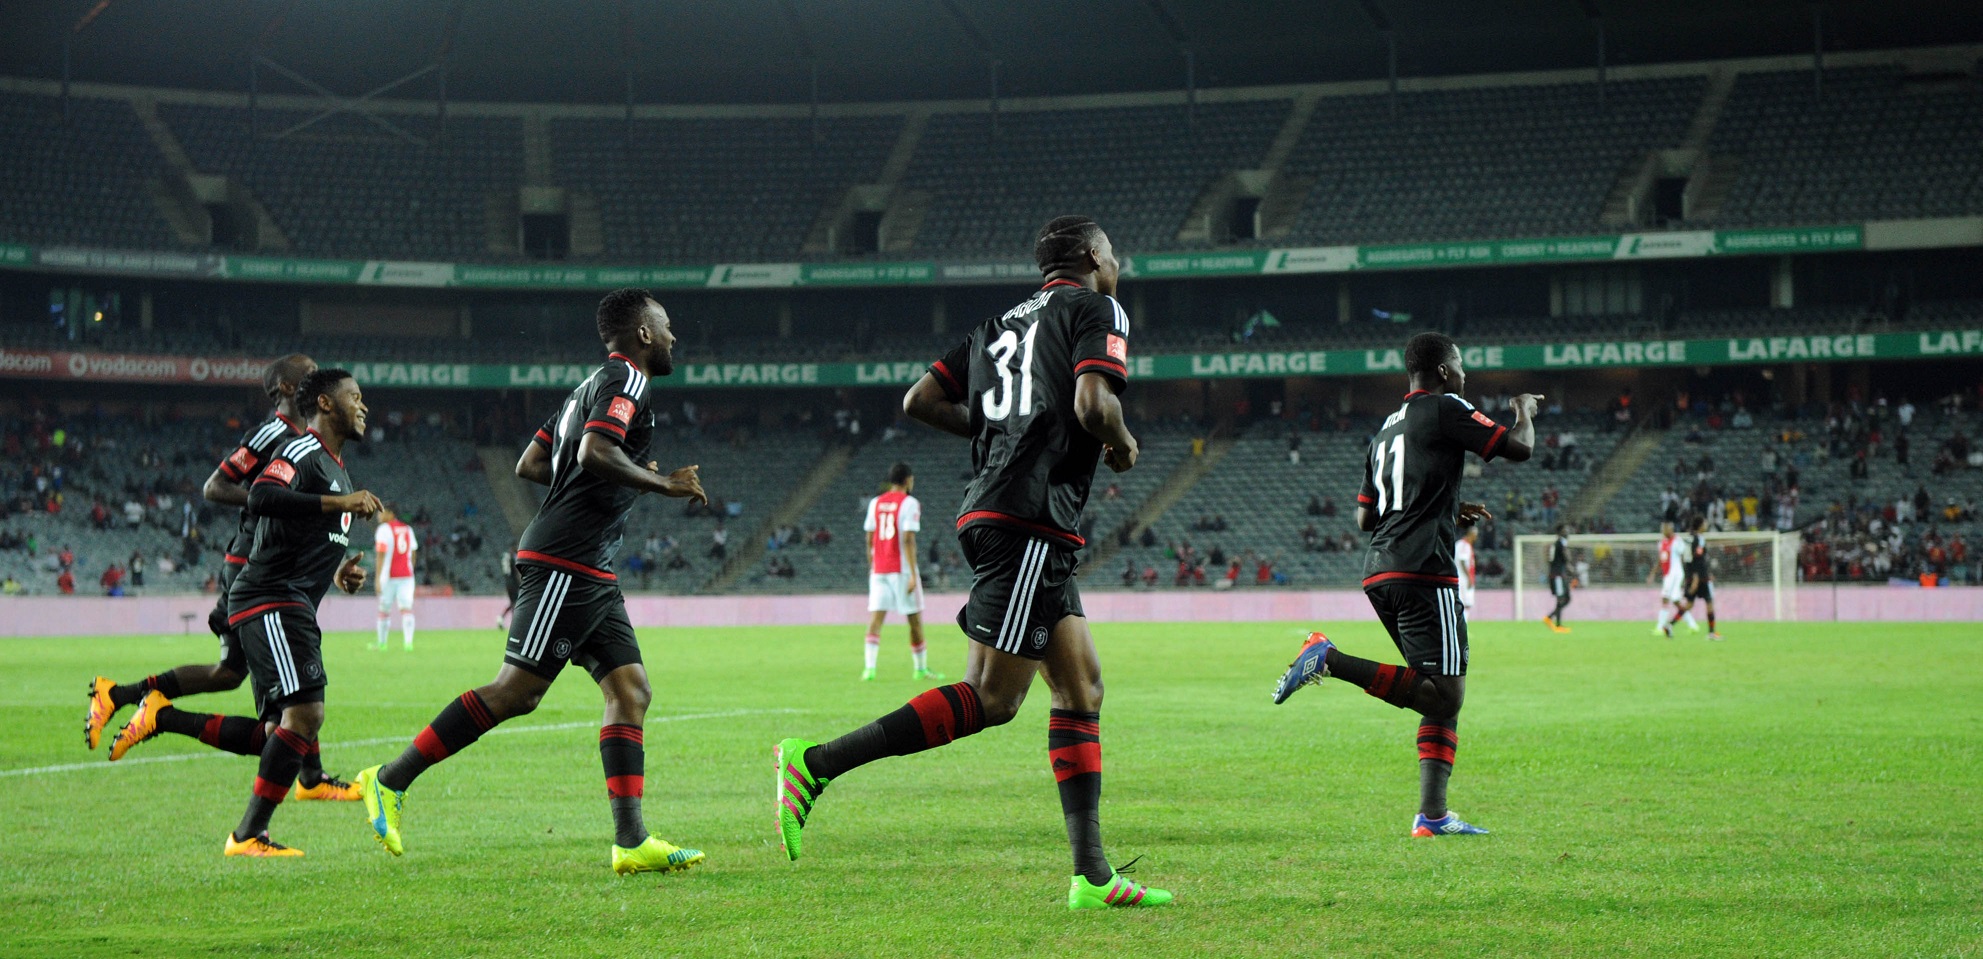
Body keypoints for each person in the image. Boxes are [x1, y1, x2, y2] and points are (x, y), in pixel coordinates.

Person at [772, 216, 1171, 910]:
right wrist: (1124, 440)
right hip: (1030, 515)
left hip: (1005, 511)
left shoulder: (994, 327)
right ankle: (815, 763)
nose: (1118, 264)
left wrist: (1000, 430)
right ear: (1091, 256)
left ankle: (1091, 877)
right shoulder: (1096, 308)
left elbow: (919, 400)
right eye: (1113, 252)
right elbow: (1092, 403)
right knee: (992, 697)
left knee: (1081, 689)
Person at [355, 288, 709, 877]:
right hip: (566, 560)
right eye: (666, 325)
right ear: (644, 333)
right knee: (517, 691)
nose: (674, 336)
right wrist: (662, 483)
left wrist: (620, 476)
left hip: (589, 566)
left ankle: (631, 840)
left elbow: (533, 464)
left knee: (631, 692)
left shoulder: (586, 387)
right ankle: (389, 780)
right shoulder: (628, 380)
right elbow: (594, 452)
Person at [1274, 331, 1538, 840]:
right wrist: (1523, 409)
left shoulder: (1385, 429)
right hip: (1423, 570)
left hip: (1381, 571)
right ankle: (1327, 658)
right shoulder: (1445, 407)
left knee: (1436, 686)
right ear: (1441, 371)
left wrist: (1445, 507)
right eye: (1459, 364)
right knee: (1445, 694)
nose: (1463, 373)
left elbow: (1364, 517)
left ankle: (1432, 816)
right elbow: (1520, 448)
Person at [85, 356, 329, 781]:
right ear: (289, 388)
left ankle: (121, 696)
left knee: (230, 673)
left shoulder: (302, 440)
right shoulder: (273, 434)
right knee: (285, 702)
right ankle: (307, 781)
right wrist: (271, 501)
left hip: (267, 566)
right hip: (253, 570)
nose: (318, 377)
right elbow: (215, 486)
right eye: (309, 373)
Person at [861, 462, 938, 681]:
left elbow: (869, 538)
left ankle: (869, 669)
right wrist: (913, 573)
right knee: (914, 620)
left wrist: (872, 566)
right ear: (907, 480)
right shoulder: (910, 503)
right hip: (901, 569)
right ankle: (920, 669)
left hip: (879, 570)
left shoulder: (875, 503)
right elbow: (908, 539)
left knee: (876, 619)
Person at [372, 505, 419, 651]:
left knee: (384, 609)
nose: (378, 516)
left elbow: (381, 554)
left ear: (391, 513)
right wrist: (410, 567)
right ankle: (408, 644)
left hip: (389, 576)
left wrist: (377, 578)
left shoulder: (383, 530)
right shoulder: (408, 529)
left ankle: (382, 644)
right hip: (407, 576)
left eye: (381, 512)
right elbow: (413, 552)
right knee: (406, 609)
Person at [1672, 515, 1723, 641]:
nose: (1706, 525)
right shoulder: (1698, 540)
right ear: (1700, 526)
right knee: (1709, 602)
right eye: (1704, 523)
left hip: (1694, 576)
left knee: (1689, 605)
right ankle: (1711, 633)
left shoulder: (1690, 539)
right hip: (1699, 578)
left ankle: (1669, 625)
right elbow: (1697, 560)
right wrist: (1696, 578)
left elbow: (1688, 560)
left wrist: (1693, 576)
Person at [1653, 521, 1699, 636]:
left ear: (1671, 529)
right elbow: (1661, 559)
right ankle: (1693, 625)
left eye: (1665, 528)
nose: (1663, 531)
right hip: (1667, 575)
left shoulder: (1677, 541)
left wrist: (1689, 572)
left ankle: (1660, 627)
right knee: (1676, 601)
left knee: (1665, 598)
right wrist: (1653, 573)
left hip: (1676, 574)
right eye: (1662, 529)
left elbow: (1685, 556)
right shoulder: (1661, 543)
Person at [1543, 524, 1573, 633]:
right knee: (1561, 599)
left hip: (1560, 575)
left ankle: (1550, 617)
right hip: (1557, 576)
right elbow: (1567, 558)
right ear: (1559, 532)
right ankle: (1558, 624)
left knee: (1567, 598)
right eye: (1565, 530)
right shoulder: (1560, 544)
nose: (1567, 532)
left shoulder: (1557, 544)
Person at [1454, 524, 1478, 617]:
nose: (1476, 538)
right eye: (1475, 535)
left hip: (1463, 577)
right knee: (1465, 603)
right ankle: (1462, 622)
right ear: (1470, 534)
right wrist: (1469, 578)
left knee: (1465, 603)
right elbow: (1463, 561)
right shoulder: (1464, 545)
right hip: (1462, 578)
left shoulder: (1462, 544)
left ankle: (1463, 622)